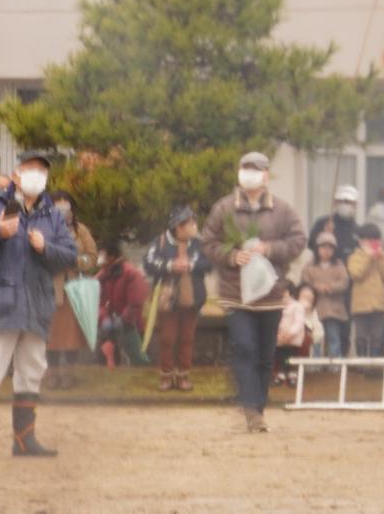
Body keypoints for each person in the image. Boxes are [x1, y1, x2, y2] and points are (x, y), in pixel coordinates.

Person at [0, 152, 77, 459]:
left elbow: (69, 255)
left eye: (42, 170)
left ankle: (24, 440)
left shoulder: (52, 214)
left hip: (37, 302)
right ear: (16, 174)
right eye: (31, 168)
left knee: (32, 369)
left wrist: (45, 247)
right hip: (0, 300)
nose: (37, 174)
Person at [202, 150, 305, 433]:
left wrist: (269, 249)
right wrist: (232, 255)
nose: (249, 173)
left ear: (265, 175)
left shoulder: (283, 210)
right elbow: (208, 242)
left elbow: (298, 241)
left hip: (271, 295)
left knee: (264, 354)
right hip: (236, 295)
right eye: (244, 168)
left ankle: (258, 407)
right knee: (244, 348)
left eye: (254, 169)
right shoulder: (224, 208)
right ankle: (251, 409)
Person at [143, 207, 207, 392]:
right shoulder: (160, 242)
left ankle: (183, 375)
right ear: (178, 226)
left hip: (192, 296)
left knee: (188, 337)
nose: (193, 226)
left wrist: (191, 265)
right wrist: (170, 265)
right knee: (167, 338)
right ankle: (166, 375)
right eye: (189, 223)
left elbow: (208, 262)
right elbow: (148, 262)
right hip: (167, 297)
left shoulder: (198, 243)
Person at [45, 194, 98, 364]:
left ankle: (69, 372)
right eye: (58, 209)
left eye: (67, 209)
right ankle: (52, 373)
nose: (63, 214)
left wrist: (76, 261)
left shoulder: (80, 230)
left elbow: (92, 257)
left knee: (72, 335)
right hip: (50, 288)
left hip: (74, 289)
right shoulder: (42, 228)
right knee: (51, 334)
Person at [96, 242, 151, 369]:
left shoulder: (131, 273)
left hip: (131, 323)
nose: (100, 258)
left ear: (112, 257)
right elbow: (98, 300)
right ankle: (110, 365)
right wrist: (104, 317)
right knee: (105, 343)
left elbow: (136, 302)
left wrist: (123, 319)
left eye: (102, 255)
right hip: (110, 321)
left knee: (137, 356)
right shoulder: (103, 275)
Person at [345, 222, 384, 356]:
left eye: (375, 240)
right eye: (369, 240)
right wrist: (369, 257)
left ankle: (374, 363)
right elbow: (356, 273)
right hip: (360, 305)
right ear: (361, 241)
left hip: (378, 304)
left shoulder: (381, 256)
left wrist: (382, 257)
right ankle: (361, 362)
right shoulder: (354, 257)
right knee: (361, 336)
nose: (372, 243)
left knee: (377, 336)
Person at [304, 232, 349, 356]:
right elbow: (305, 282)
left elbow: (344, 282)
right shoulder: (309, 266)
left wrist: (331, 287)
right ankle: (315, 365)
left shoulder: (339, 265)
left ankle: (336, 366)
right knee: (316, 337)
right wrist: (316, 287)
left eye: (330, 248)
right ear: (317, 249)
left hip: (334, 309)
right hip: (315, 308)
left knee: (333, 337)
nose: (326, 251)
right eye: (323, 247)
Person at [275, 283, 320, 387]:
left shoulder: (297, 306)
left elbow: (298, 323)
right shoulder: (277, 306)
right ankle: (281, 374)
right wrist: (278, 334)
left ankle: (292, 375)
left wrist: (290, 334)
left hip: (293, 339)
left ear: (291, 294)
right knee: (281, 356)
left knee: (291, 357)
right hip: (280, 338)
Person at [309, 183, 360, 257]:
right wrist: (323, 234)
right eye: (341, 201)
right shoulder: (322, 223)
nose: (345, 204)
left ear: (355, 204)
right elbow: (310, 245)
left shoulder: (358, 230)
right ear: (335, 202)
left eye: (348, 202)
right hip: (327, 268)